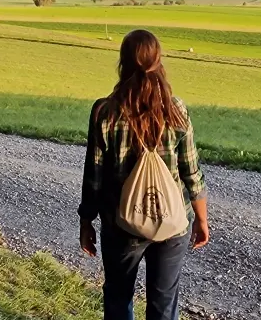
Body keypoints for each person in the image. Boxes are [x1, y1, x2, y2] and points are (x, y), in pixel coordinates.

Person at [79, 29, 210, 320]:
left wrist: (86, 221)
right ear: (159, 61)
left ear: (122, 63)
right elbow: (192, 172)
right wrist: (201, 219)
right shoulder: (176, 110)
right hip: (173, 224)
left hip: (121, 224)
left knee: (118, 298)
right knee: (163, 306)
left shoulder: (105, 112)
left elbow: (94, 176)